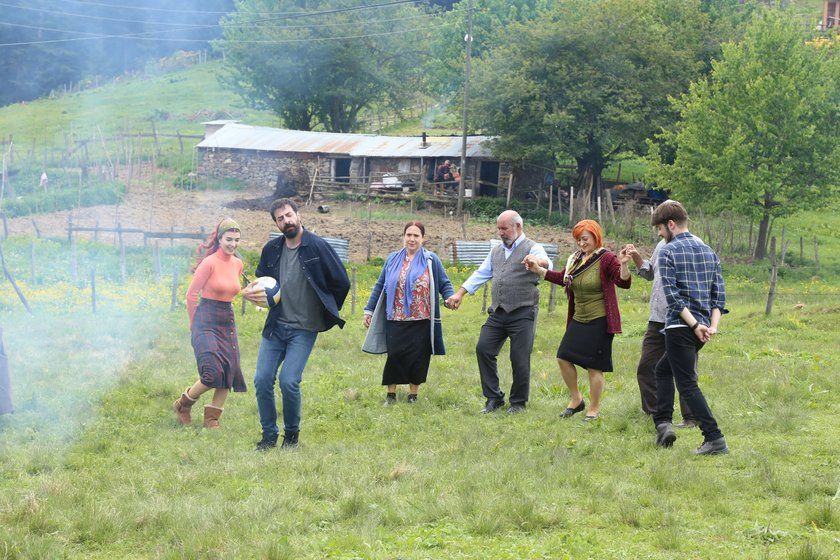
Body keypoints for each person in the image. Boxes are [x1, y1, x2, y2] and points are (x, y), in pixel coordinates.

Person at [244, 199, 350, 451]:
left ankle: (291, 437)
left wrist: (325, 309)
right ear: (276, 224)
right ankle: (269, 435)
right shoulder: (271, 249)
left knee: (289, 381)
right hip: (276, 326)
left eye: (289, 215)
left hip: (304, 329)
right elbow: (263, 281)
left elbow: (341, 282)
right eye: (280, 219)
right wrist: (253, 294)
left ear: (298, 215)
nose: (286, 221)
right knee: (262, 379)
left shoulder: (318, 247)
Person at [446, 210, 551, 414]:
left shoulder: (533, 247)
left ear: (518, 227)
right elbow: (481, 273)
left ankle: (518, 403)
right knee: (483, 349)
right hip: (499, 312)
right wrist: (460, 294)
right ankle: (494, 398)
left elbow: (547, 263)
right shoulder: (496, 251)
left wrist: (537, 262)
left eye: (504, 228)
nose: (501, 232)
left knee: (519, 358)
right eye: (499, 228)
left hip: (523, 311)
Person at [524, 219, 631, 420]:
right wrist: (538, 269)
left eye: (585, 239)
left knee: (594, 366)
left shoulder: (606, 258)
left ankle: (594, 408)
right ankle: (576, 400)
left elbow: (622, 282)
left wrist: (624, 265)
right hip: (579, 318)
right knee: (563, 357)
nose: (581, 244)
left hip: (600, 320)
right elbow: (562, 278)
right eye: (578, 240)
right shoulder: (575, 258)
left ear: (595, 237)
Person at [649, 201, 729, 455]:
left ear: (671, 224)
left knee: (686, 383)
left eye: (661, 229)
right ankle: (663, 424)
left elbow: (673, 297)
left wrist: (694, 325)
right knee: (662, 370)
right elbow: (719, 297)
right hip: (702, 327)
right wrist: (711, 327)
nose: (660, 235)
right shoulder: (708, 251)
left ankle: (714, 438)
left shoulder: (668, 251)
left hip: (680, 325)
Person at [362, 221, 455, 404]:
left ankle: (413, 395)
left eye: (416, 236)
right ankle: (391, 395)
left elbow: (444, 283)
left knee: (418, 357)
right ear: (403, 236)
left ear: (423, 238)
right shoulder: (392, 259)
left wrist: (449, 297)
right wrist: (369, 310)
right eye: (409, 235)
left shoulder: (431, 260)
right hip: (395, 317)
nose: (412, 239)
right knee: (395, 355)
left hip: (422, 319)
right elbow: (380, 285)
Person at [624, 221, 700, 427]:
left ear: (671, 224)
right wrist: (637, 257)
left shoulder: (694, 246)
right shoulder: (662, 245)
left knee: (684, 370)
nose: (657, 232)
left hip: (682, 319)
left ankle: (691, 417)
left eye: (659, 227)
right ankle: (656, 413)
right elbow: (650, 273)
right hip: (657, 318)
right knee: (647, 366)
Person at [173, 218, 246, 429]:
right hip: (205, 319)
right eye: (229, 239)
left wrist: (251, 294)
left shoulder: (238, 264)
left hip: (227, 319)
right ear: (220, 239)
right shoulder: (209, 263)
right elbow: (191, 295)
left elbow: (231, 290)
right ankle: (183, 404)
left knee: (230, 369)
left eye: (236, 240)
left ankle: (212, 419)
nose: (232, 244)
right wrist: (193, 323)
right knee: (212, 372)